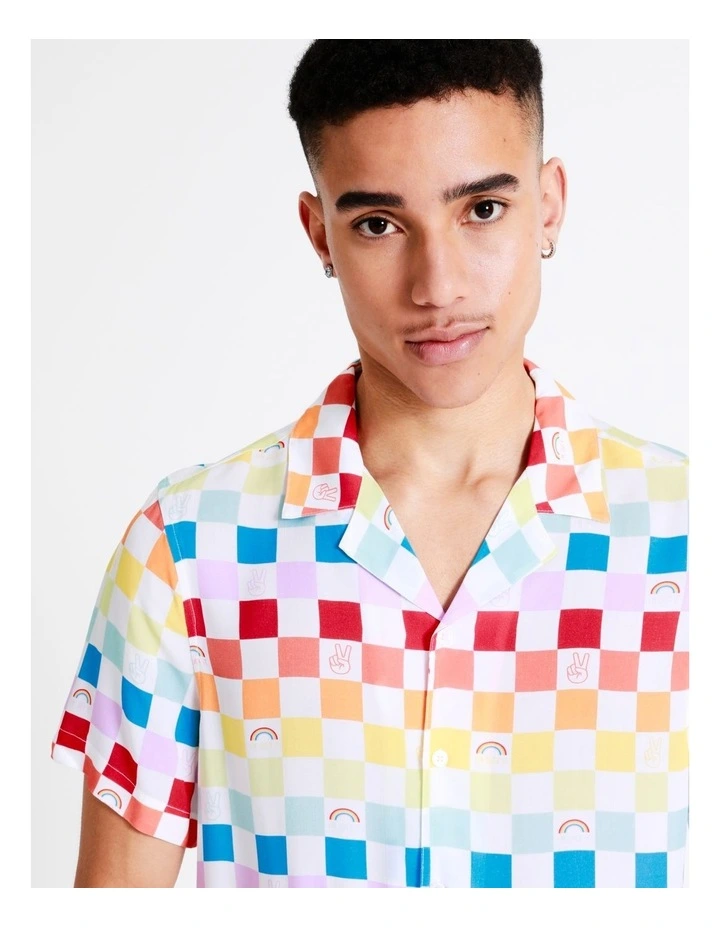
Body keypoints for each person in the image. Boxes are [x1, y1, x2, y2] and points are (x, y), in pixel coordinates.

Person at [50, 39, 689, 889]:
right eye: (379, 225)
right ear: (321, 234)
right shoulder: (188, 550)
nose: (437, 286)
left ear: (548, 208)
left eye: (483, 210)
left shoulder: (689, 538)